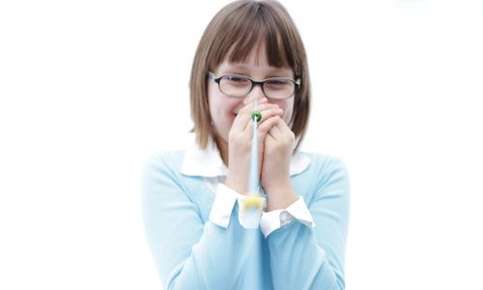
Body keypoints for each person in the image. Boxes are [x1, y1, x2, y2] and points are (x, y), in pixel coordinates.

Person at [142, 1, 350, 289]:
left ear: (297, 92)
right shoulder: (168, 173)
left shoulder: (326, 174)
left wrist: (279, 187)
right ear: (204, 84)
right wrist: (239, 178)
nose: (255, 101)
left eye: (276, 82)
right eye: (236, 79)